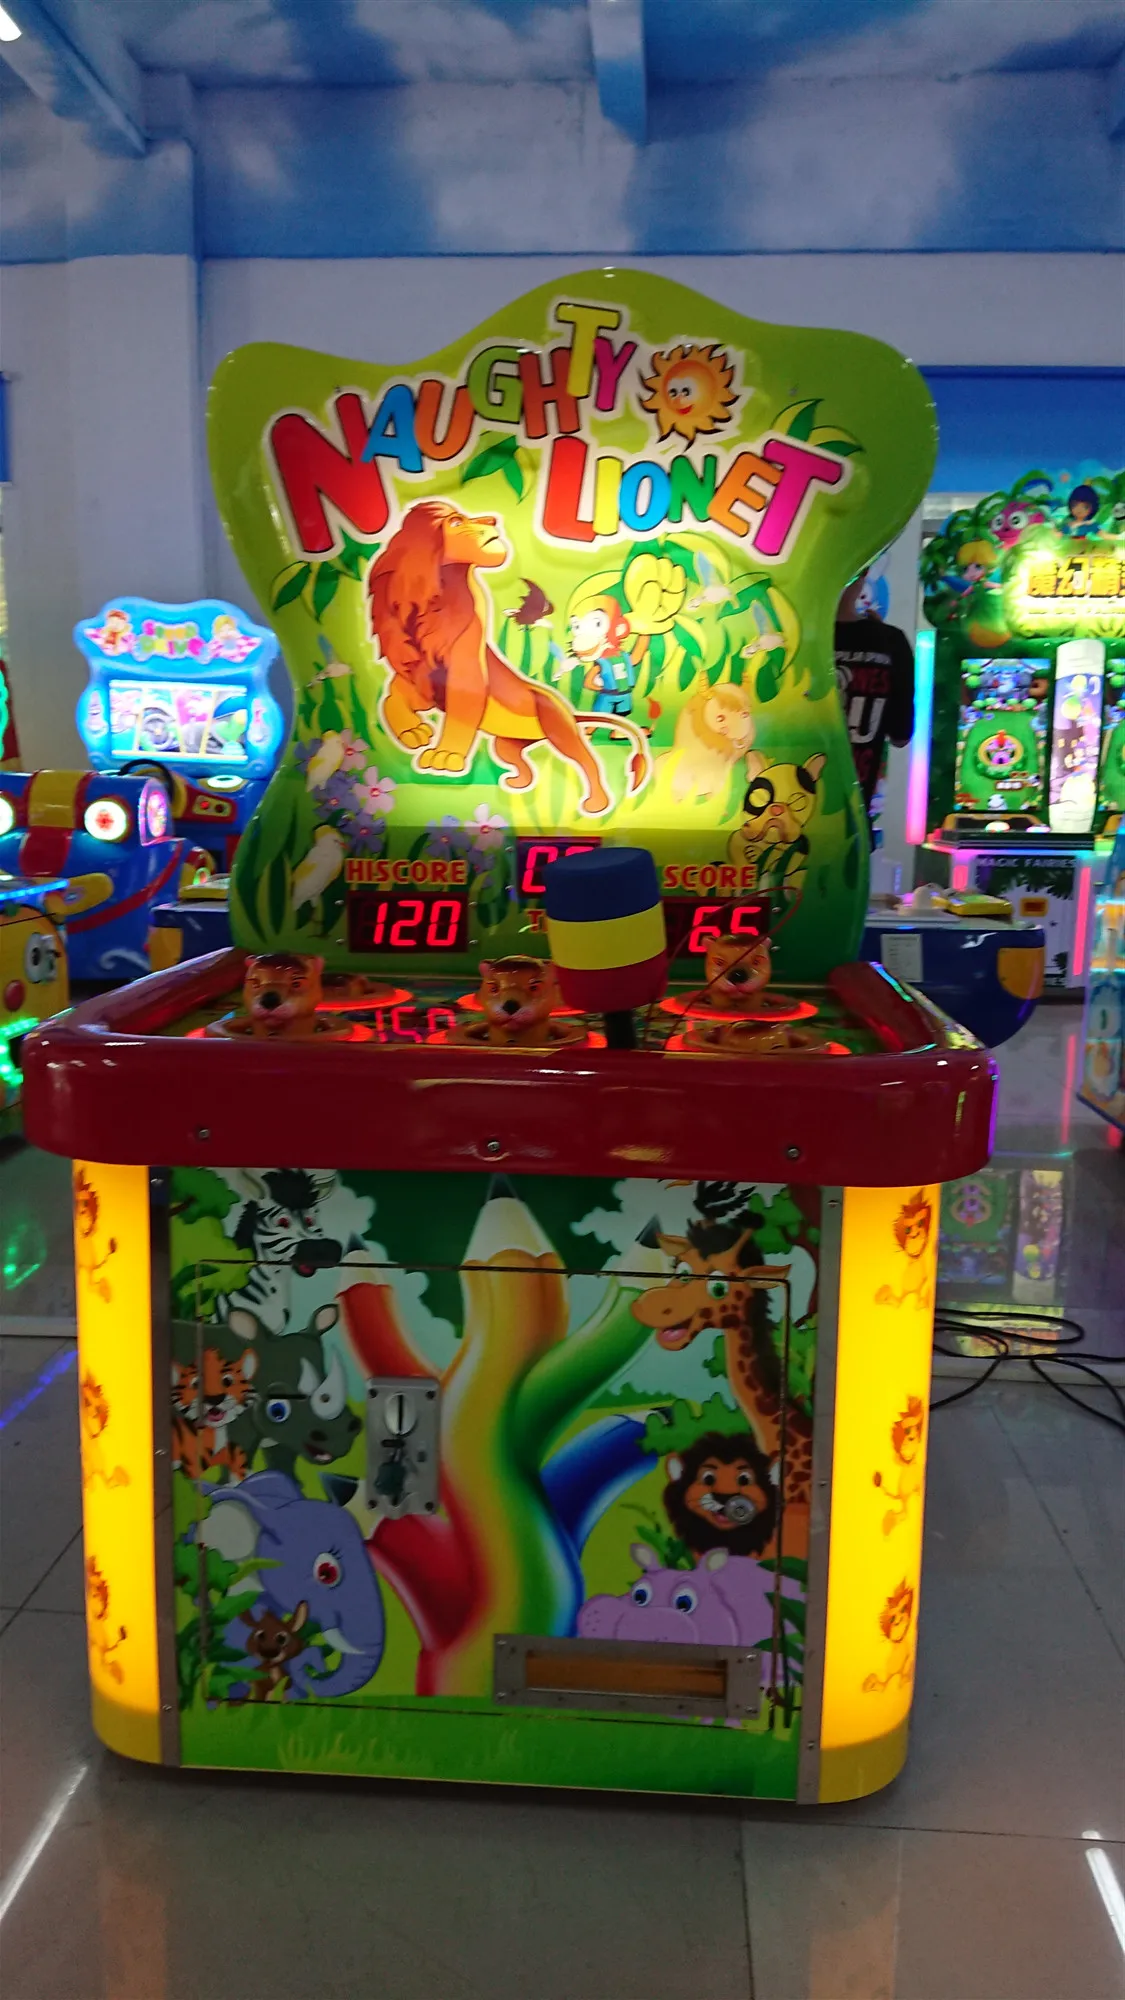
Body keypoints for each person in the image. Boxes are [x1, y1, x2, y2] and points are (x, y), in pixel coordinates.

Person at [834, 569, 916, 825]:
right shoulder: (890, 641)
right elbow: (901, 736)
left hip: (787, 808)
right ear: (864, 576)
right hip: (852, 818)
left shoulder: (791, 636)